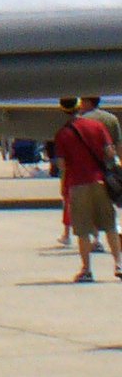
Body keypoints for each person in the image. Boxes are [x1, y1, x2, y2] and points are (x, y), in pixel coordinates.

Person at [52, 97, 122, 281]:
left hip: (78, 184)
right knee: (110, 225)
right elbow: (110, 152)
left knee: (83, 230)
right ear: (79, 107)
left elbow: (62, 164)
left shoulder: (62, 134)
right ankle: (118, 264)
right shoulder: (97, 127)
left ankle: (87, 269)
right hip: (100, 181)